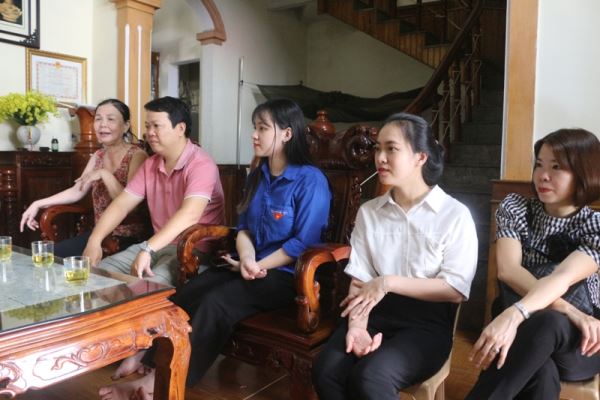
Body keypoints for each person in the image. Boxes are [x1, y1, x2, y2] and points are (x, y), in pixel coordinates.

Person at [98, 98, 332, 400]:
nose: (254, 135)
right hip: (247, 265)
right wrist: (247, 258)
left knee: (215, 303)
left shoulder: (311, 181)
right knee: (187, 293)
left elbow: (303, 244)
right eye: (255, 127)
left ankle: (160, 383)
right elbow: (243, 228)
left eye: (263, 128)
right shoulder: (258, 175)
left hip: (287, 275)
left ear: (287, 134)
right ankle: (147, 361)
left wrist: (259, 266)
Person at [312, 113, 478, 400]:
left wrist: (387, 282)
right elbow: (360, 279)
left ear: (420, 157)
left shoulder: (454, 215)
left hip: (425, 325)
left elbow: (455, 288)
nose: (380, 157)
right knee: (325, 371)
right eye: (378, 148)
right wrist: (357, 327)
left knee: (370, 377)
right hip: (373, 311)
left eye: (392, 149)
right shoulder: (370, 212)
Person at [466, 128, 600, 399]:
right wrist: (569, 310)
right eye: (539, 164)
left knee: (548, 323)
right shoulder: (516, 208)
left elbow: (561, 278)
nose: (543, 175)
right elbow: (509, 270)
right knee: (541, 372)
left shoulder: (594, 225)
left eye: (556, 167)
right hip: (529, 330)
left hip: (581, 341)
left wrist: (515, 313)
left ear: (583, 173)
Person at [83, 96, 225, 286]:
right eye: (147, 126)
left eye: (156, 126)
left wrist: (148, 249)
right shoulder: (151, 164)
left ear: (180, 128)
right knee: (94, 275)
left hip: (193, 250)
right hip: (157, 245)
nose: (149, 133)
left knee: (147, 289)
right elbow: (122, 204)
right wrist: (94, 240)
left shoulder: (201, 163)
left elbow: (190, 214)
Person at [20, 99, 148, 258]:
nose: (102, 124)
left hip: (128, 237)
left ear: (126, 125)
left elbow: (130, 206)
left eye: (110, 119)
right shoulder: (98, 155)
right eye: (98, 119)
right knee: (48, 257)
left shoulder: (137, 156)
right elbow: (77, 191)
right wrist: (37, 204)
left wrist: (104, 174)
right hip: (98, 233)